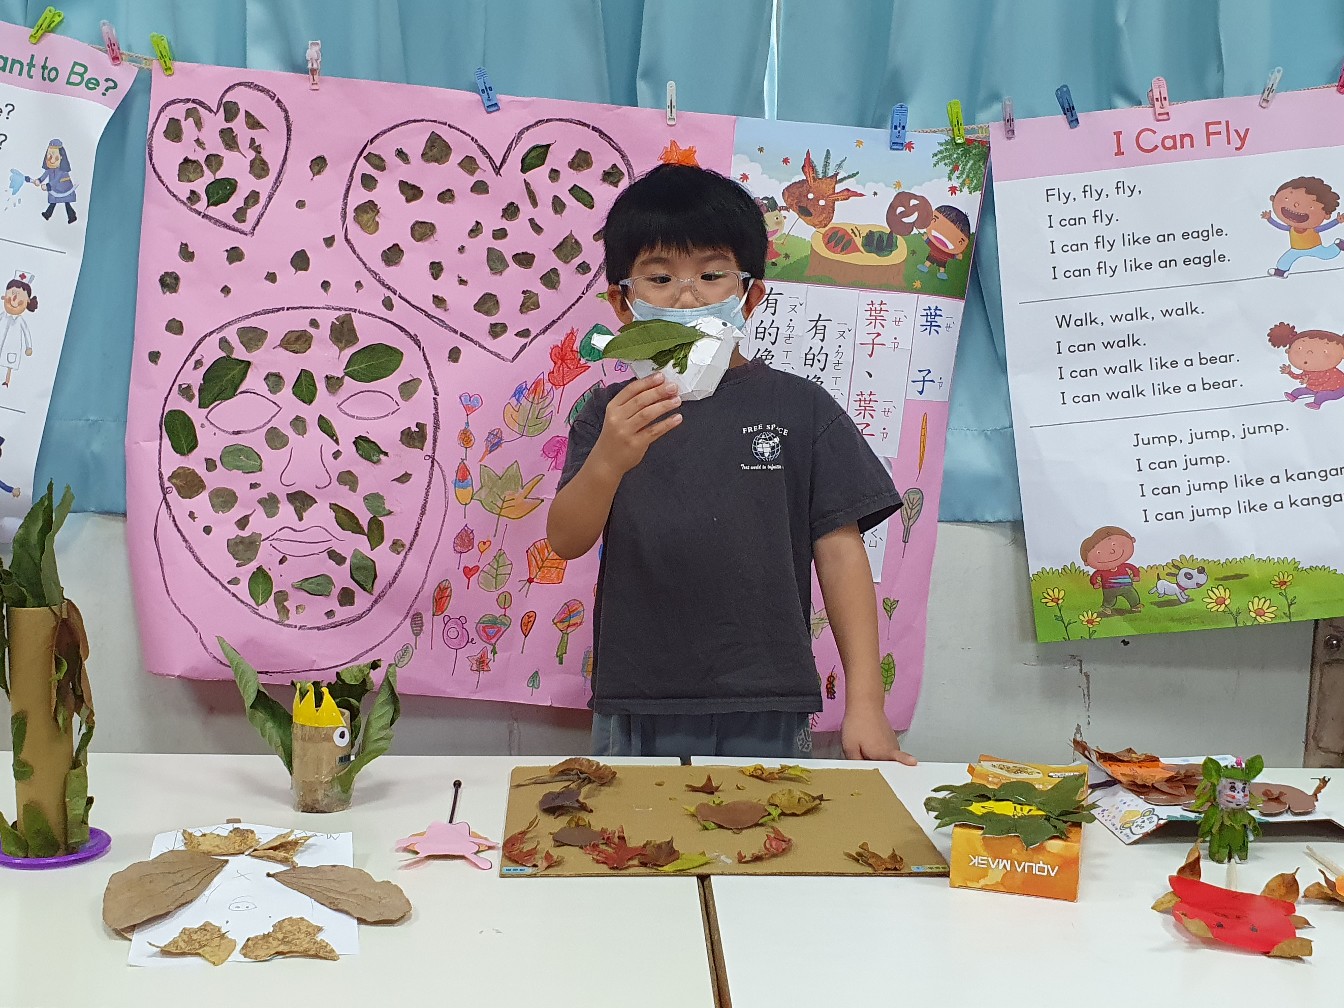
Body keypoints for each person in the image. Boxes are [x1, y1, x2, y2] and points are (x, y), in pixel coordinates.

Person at [547, 163, 914, 764]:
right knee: (630, 825)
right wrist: (609, 460)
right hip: (639, 697)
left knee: (772, 821)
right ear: (622, 302)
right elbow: (565, 540)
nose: (687, 295)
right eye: (659, 278)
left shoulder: (801, 408)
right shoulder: (609, 412)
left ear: (751, 294)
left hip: (769, 697)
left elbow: (842, 554)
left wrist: (867, 705)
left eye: (712, 274)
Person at [0, 273, 37, 387]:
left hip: (12, 347)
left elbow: (26, 333)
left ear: (27, 302)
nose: (14, 299)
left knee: (9, 364)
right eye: (12, 294)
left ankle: (7, 381)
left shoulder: (20, 321)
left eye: (19, 296)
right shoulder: (2, 316)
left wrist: (28, 347)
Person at [29, 139, 76, 223]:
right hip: (54, 189)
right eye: (49, 156)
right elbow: (44, 175)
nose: (51, 160)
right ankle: (48, 214)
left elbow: (56, 180)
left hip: (63, 188)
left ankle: (71, 216)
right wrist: (39, 180)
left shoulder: (62, 171)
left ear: (61, 157)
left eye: (55, 157)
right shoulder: (50, 169)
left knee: (66, 201)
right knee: (55, 201)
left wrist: (48, 186)